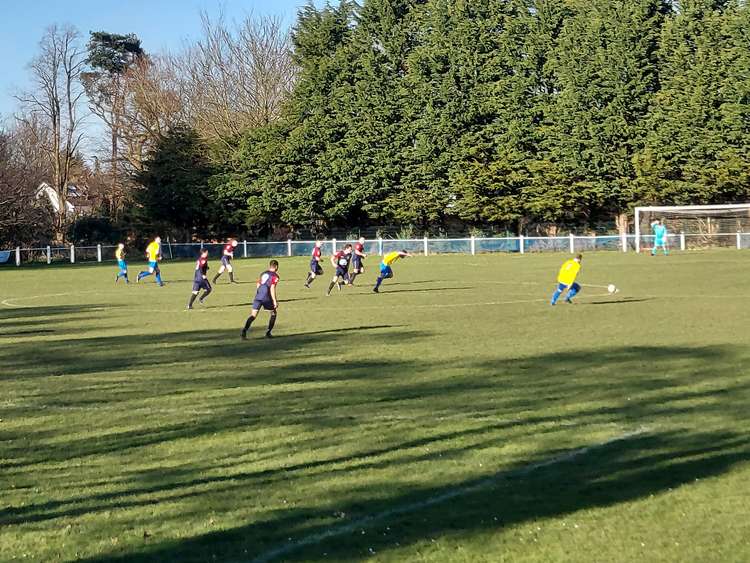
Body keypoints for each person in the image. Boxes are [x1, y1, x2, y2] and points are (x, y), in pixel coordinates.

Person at [241, 260, 280, 339]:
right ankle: (268, 332)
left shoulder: (263, 273)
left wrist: (259, 293)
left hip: (258, 296)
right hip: (267, 297)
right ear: (276, 266)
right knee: (273, 313)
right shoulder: (275, 276)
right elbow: (272, 288)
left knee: (253, 316)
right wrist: (274, 300)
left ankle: (244, 331)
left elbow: (258, 284)